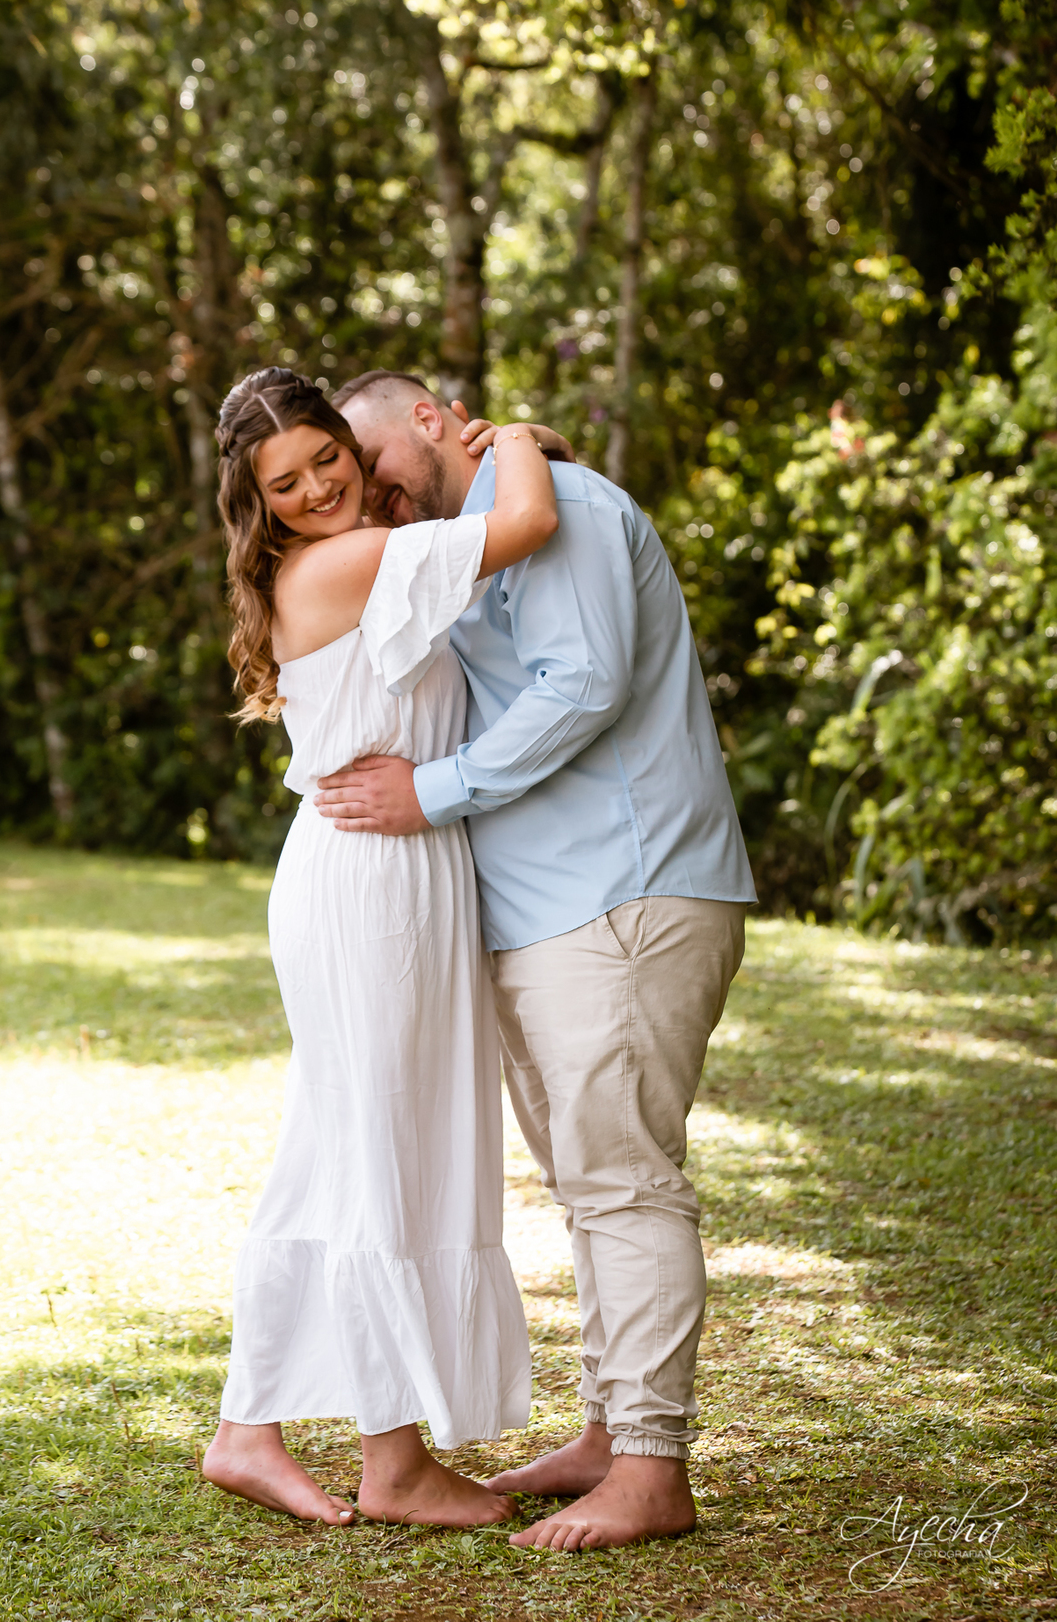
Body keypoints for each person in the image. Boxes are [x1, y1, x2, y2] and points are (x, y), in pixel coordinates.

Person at [316, 370, 758, 1552]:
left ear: (431, 416)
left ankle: (654, 1468)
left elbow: (585, 683)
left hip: (626, 892)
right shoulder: (468, 540)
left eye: (370, 461)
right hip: (552, 914)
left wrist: (433, 793)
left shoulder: (558, 503)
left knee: (624, 1185)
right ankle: (612, 1436)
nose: (367, 492)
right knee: (590, 1188)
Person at [201, 366, 559, 1529]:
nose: (314, 489)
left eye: (324, 461)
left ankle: (248, 1430)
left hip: (386, 870)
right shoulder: (348, 563)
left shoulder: (357, 556)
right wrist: (513, 437)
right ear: (257, 502)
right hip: (369, 883)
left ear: (348, 448)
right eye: (284, 484)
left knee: (346, 1146)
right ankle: (390, 1460)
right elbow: (528, 520)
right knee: (378, 1155)